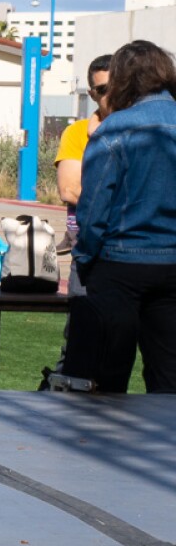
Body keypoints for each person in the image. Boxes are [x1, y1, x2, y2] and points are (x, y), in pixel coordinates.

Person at [65, 39, 176, 394]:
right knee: (168, 379)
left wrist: (85, 256)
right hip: (172, 264)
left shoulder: (114, 129)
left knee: (107, 383)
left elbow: (94, 207)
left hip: (119, 264)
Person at [54, 53, 113, 293]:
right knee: (83, 326)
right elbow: (69, 190)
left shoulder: (144, 130)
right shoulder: (78, 133)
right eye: (104, 89)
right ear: (92, 94)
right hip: (88, 251)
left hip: (134, 256)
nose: (113, 95)